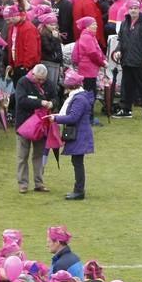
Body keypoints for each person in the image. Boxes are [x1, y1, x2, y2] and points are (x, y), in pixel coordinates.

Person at [51, 70, 94, 201]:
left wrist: (55, 119)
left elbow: (73, 118)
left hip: (79, 135)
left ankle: (79, 191)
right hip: (80, 134)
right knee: (77, 162)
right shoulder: (79, 96)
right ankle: (78, 190)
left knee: (78, 163)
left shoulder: (79, 99)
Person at [13, 64, 54, 194]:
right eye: (39, 79)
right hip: (24, 124)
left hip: (41, 125)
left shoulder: (49, 84)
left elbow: (55, 97)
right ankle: (23, 184)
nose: (41, 82)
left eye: (43, 79)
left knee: (39, 155)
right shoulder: (23, 82)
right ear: (33, 74)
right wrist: (40, 102)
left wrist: (53, 103)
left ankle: (39, 183)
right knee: (22, 156)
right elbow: (21, 100)